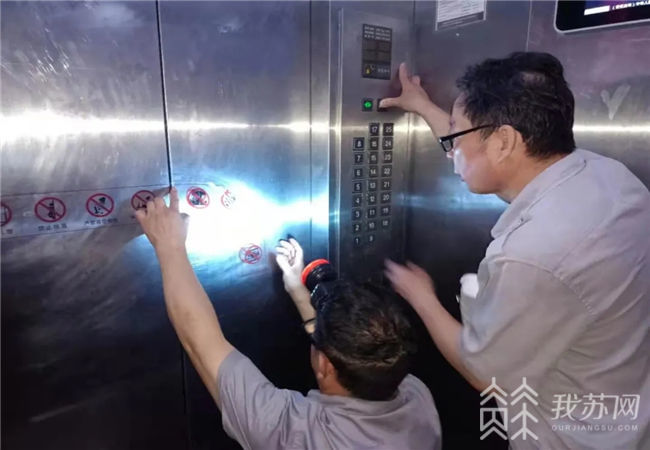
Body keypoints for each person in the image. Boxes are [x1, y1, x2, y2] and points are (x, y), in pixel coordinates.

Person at [381, 53, 649, 449]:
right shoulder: (607, 176)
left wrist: (421, 297)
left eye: (456, 134)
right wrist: (423, 107)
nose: (452, 149)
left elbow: (484, 373)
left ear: (504, 140)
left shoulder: (532, 257)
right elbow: (476, 153)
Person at [135, 188, 442, 450]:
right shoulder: (417, 399)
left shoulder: (294, 434)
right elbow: (346, 351)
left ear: (324, 365)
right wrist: (297, 288)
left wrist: (169, 246)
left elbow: (202, 342)